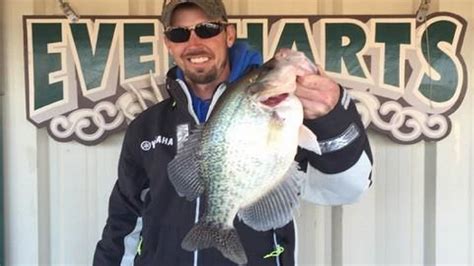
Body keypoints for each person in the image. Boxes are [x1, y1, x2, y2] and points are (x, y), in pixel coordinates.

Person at [93, 0, 373, 265]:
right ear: (168, 44)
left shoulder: (290, 113)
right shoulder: (146, 126)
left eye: (206, 29)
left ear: (228, 34)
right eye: (179, 34)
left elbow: (347, 189)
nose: (194, 42)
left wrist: (334, 117)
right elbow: (124, 219)